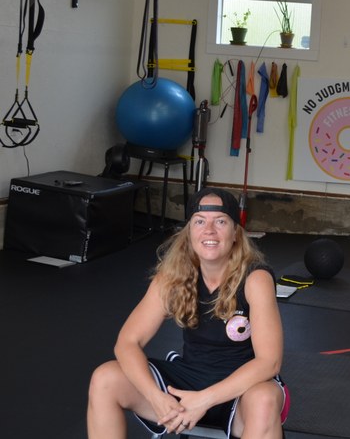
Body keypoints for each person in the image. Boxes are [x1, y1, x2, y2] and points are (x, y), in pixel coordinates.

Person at [87, 187, 288, 438]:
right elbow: (127, 342)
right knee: (105, 378)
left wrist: (204, 400)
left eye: (221, 222)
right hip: (188, 381)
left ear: (236, 233)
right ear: (189, 232)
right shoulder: (172, 278)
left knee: (265, 398)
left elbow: (270, 362)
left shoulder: (255, 279)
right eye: (200, 222)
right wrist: (156, 397)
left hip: (241, 391)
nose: (209, 231)